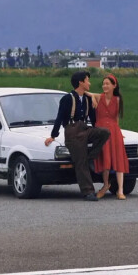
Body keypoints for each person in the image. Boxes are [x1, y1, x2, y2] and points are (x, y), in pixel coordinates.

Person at [45, 71, 110, 201]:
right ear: (81, 82)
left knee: (105, 133)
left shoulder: (87, 98)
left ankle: (89, 156)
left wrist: (94, 102)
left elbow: (93, 118)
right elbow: (59, 118)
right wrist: (53, 135)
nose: (89, 83)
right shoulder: (67, 98)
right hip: (72, 130)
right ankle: (88, 192)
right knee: (81, 162)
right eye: (87, 80)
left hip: (85, 128)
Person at [85, 74, 129, 200]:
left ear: (114, 86)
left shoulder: (118, 100)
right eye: (103, 83)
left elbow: (116, 119)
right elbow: (87, 93)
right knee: (105, 160)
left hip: (114, 132)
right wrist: (93, 96)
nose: (105, 86)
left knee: (118, 159)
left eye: (107, 84)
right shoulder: (100, 97)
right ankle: (105, 186)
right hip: (102, 132)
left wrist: (119, 132)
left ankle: (120, 190)